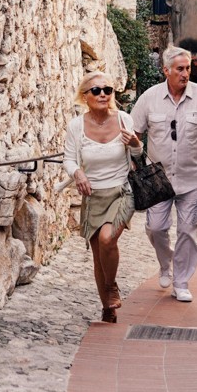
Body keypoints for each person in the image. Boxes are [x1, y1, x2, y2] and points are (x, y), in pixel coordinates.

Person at [130, 45, 197, 303]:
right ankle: (166, 264)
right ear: (166, 71)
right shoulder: (149, 99)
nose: (185, 74)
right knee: (155, 228)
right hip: (158, 179)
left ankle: (181, 281)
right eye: (180, 69)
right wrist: (132, 167)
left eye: (187, 69)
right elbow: (134, 136)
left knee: (188, 230)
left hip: (193, 177)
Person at [63, 70, 143, 323]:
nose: (103, 94)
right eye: (96, 90)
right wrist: (78, 173)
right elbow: (68, 158)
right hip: (93, 194)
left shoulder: (124, 119)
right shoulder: (76, 126)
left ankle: (110, 288)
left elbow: (139, 156)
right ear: (85, 96)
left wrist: (135, 145)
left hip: (121, 192)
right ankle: (108, 308)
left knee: (108, 239)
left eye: (107, 90)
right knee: (99, 254)